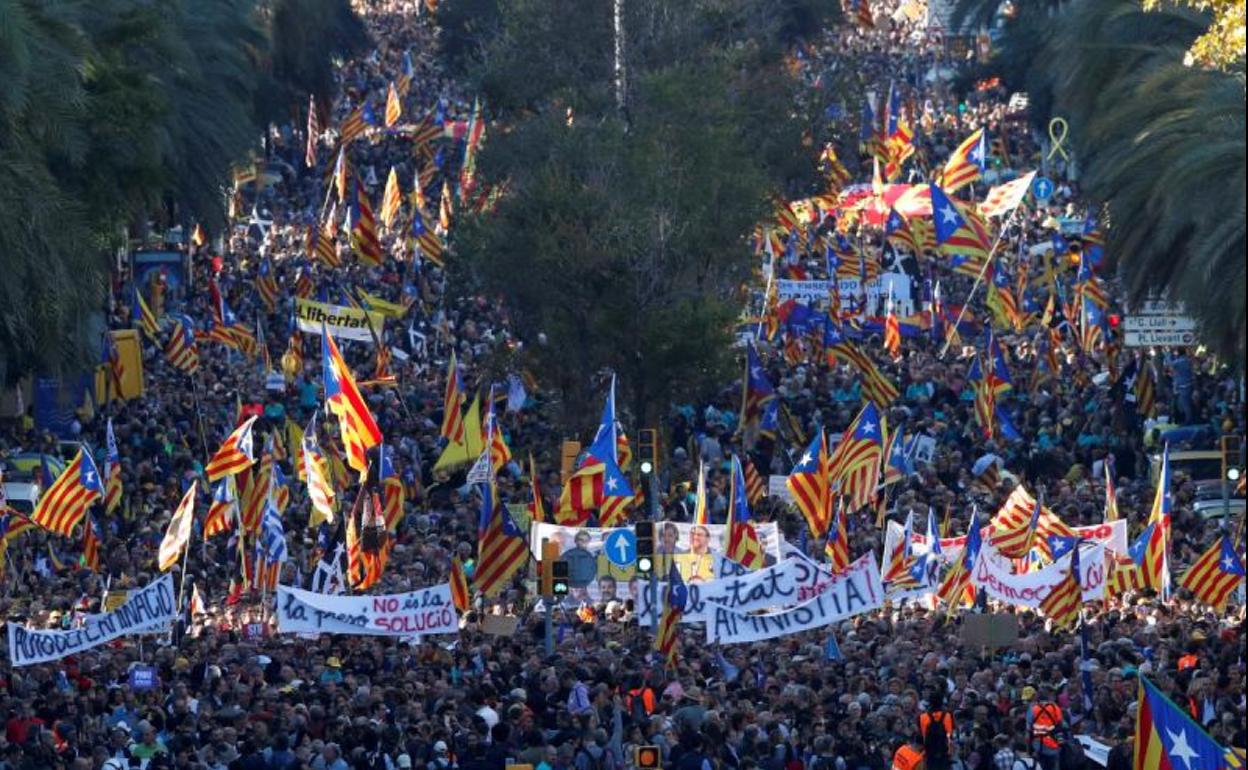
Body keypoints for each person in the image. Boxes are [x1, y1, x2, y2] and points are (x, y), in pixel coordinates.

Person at [1026, 686, 1066, 770]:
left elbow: (1028, 730)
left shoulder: (1032, 708)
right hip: (1054, 746)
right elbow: (1060, 727)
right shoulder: (1055, 708)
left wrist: (1028, 749)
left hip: (1038, 746)